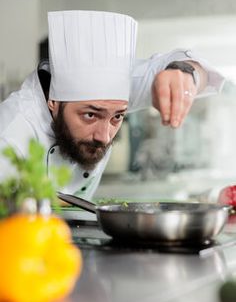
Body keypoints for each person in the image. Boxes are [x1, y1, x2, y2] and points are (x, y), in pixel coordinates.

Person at [0, 10, 224, 200]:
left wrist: (186, 74)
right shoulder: (9, 134)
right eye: (89, 115)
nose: (104, 136)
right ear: (54, 103)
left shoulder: (114, 90)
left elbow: (201, 71)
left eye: (117, 117)